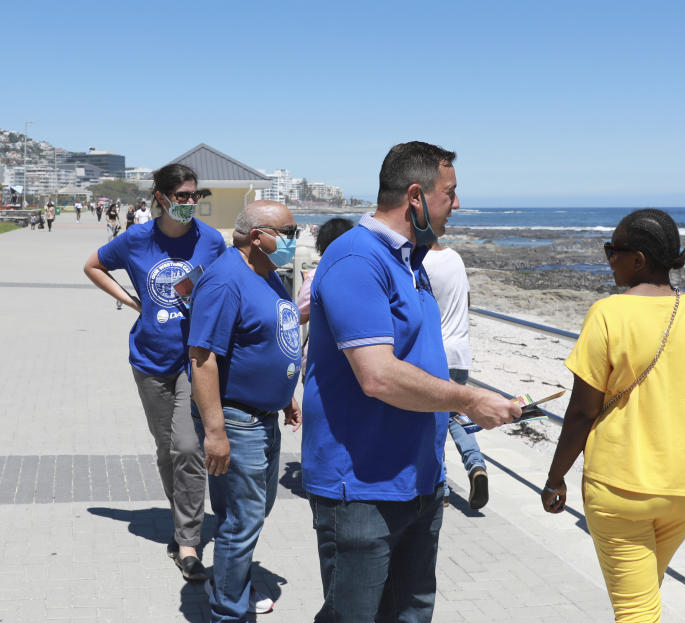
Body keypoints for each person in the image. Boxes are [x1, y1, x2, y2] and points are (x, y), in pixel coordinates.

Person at [301, 141, 521, 622]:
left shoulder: (410, 261)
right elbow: (378, 376)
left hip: (418, 483)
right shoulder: (357, 259)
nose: (457, 206)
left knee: (411, 614)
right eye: (450, 194)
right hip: (361, 489)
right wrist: (470, 398)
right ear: (417, 196)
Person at [541, 209, 685, 622]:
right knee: (644, 596)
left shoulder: (608, 313)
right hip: (684, 492)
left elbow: (581, 412)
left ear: (639, 260)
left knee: (636, 610)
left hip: (620, 488)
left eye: (613, 249)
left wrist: (555, 477)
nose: (608, 258)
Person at [83, 163, 226, 583]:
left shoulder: (211, 241)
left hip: (194, 360)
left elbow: (226, 287)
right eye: (181, 196)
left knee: (186, 447)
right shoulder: (136, 239)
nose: (189, 203)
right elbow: (92, 265)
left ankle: (187, 543)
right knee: (167, 451)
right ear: (161, 197)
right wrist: (130, 300)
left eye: (194, 196)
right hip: (148, 359)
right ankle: (183, 520)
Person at [189, 200, 303, 621]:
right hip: (237, 421)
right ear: (258, 237)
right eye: (288, 232)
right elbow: (202, 358)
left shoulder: (268, 273)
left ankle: (229, 581)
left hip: (264, 414)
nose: (295, 239)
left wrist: (284, 392)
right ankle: (229, 612)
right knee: (244, 519)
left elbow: (266, 337)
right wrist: (215, 432)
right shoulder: (225, 280)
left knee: (245, 514)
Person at [422, 241, 489, 509]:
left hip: (436, 353)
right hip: (461, 353)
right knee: (455, 415)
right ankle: (476, 466)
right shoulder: (455, 258)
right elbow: (467, 301)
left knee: (433, 420)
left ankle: (443, 488)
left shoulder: (421, 263)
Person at [295, 217, 353, 372]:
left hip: (320, 359)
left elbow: (300, 316)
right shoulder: (362, 274)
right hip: (355, 356)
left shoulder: (316, 276)